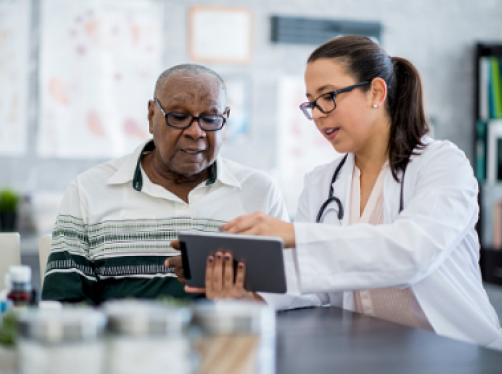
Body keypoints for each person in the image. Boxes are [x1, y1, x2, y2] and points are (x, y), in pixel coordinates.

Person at [191, 36, 502, 350]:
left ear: (376, 92)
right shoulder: (322, 182)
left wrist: (296, 235)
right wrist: (250, 291)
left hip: (456, 352)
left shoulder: (442, 164)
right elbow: (313, 283)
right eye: (311, 103)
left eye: (328, 96)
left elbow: (412, 254)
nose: (318, 114)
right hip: (369, 352)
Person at [41, 64, 313, 306]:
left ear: (226, 120)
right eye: (179, 116)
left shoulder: (259, 191)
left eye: (210, 118)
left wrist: (239, 289)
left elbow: (297, 292)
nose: (196, 131)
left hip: (227, 354)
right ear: (151, 115)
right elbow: (64, 304)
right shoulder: (89, 190)